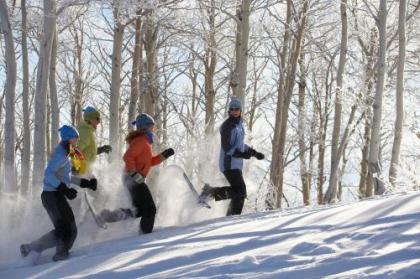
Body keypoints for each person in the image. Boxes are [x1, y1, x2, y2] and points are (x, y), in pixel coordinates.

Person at [20, 125, 97, 262]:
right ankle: (61, 253)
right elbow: (48, 175)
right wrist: (65, 190)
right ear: (68, 139)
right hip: (52, 196)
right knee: (68, 228)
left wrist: (86, 183)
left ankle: (30, 248)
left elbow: (65, 177)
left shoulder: (65, 154)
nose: (76, 143)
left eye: (77, 140)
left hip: (54, 196)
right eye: (74, 140)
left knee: (65, 229)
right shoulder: (61, 154)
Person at [99, 113, 174, 234]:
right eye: (152, 126)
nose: (153, 129)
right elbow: (127, 156)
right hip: (133, 178)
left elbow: (149, 162)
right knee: (150, 209)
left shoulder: (145, 142)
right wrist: (134, 173)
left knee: (138, 210)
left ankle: (107, 216)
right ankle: (145, 235)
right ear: (145, 127)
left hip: (132, 178)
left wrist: (163, 156)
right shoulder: (141, 141)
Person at [199, 99, 264, 216]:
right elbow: (227, 148)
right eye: (232, 109)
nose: (235, 111)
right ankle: (210, 192)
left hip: (236, 164)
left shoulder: (239, 126)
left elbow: (240, 145)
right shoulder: (227, 126)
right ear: (229, 111)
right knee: (241, 190)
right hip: (228, 163)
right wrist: (242, 155)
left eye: (237, 109)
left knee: (239, 193)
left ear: (240, 111)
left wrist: (254, 153)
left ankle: (232, 217)